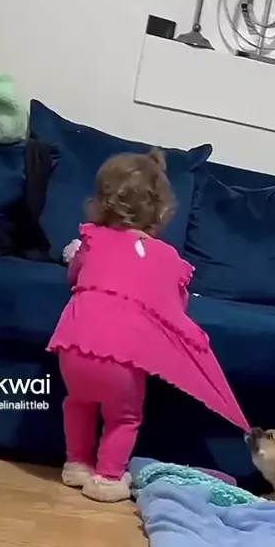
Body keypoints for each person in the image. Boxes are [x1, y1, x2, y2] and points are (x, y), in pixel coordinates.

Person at [47, 149, 250, 502]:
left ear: (101, 202)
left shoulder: (92, 239)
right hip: (122, 358)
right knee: (124, 418)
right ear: (161, 211)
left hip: (73, 344)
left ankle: (76, 464)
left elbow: (74, 275)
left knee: (78, 403)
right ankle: (107, 478)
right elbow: (174, 308)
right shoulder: (166, 258)